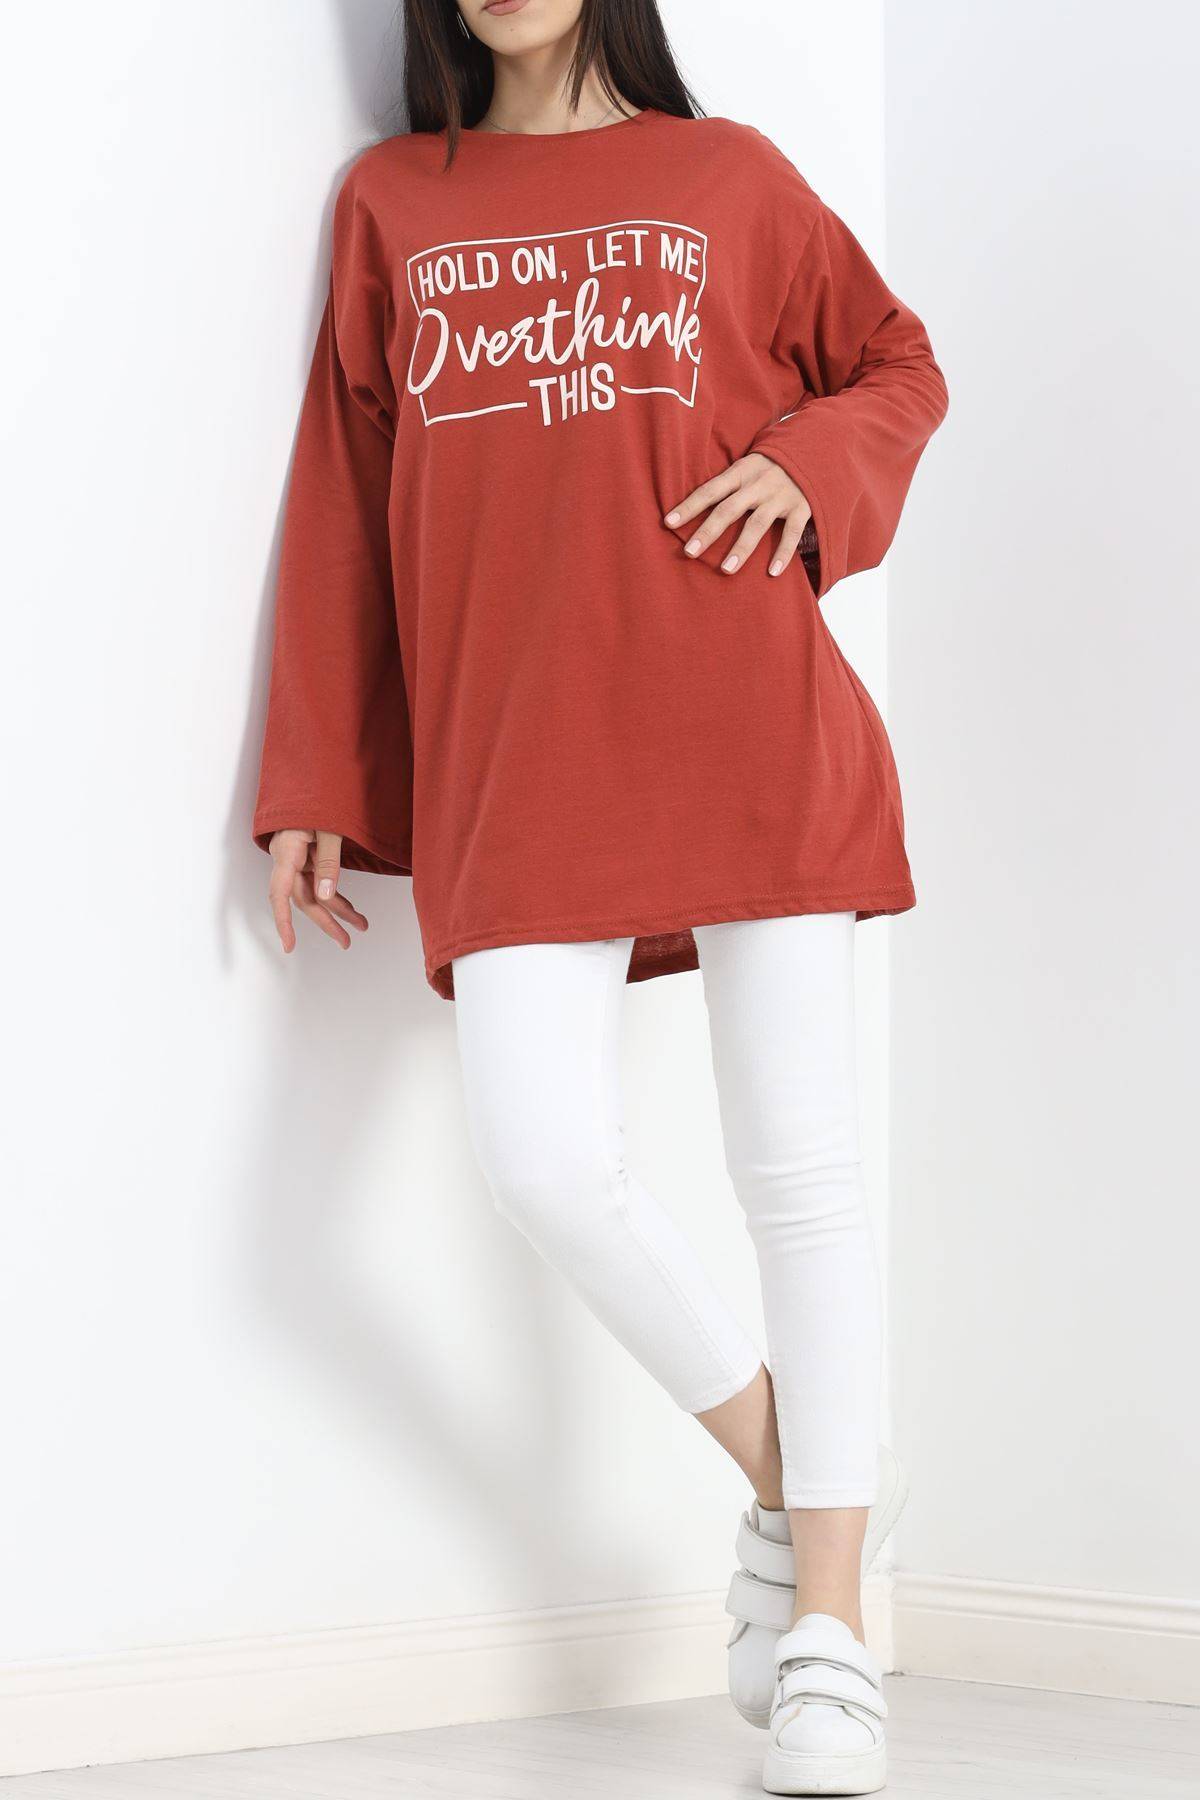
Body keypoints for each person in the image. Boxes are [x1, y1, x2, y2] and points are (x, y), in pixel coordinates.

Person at [252, 2, 947, 1791]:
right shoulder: (394, 202)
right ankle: (808, 1485)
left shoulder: (730, 177)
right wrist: (315, 772)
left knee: (800, 1170)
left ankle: (831, 1633)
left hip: (752, 724)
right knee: (547, 1158)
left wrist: (810, 467)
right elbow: (343, 496)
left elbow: (896, 364)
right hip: (522, 753)